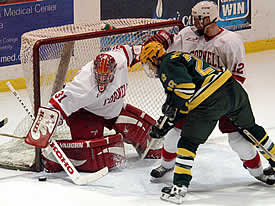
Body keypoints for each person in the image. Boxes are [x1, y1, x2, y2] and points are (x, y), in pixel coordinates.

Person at [144, 0, 275, 184]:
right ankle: (166, 165)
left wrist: (220, 100)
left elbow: (238, 78)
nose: (194, 22)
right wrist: (161, 40)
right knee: (174, 134)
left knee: (238, 141)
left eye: (199, 19)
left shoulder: (230, 41)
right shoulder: (187, 34)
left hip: (221, 97)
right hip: (192, 98)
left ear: (210, 18)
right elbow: (166, 55)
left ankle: (259, 172)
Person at [140, 41, 275, 204]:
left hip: (210, 100)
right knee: (250, 129)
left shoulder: (166, 65)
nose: (150, 68)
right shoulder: (178, 56)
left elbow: (186, 90)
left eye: (149, 63)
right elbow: (184, 100)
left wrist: (169, 113)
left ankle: (178, 188)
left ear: (155, 59)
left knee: (187, 142)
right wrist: (168, 121)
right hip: (232, 88)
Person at [41, 44, 162, 173]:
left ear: (115, 70)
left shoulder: (120, 59)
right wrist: (48, 123)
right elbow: (57, 103)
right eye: (99, 77)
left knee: (149, 137)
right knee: (96, 157)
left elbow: (134, 51)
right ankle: (53, 156)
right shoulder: (84, 84)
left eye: (106, 77)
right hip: (85, 113)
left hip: (111, 110)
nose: (102, 81)